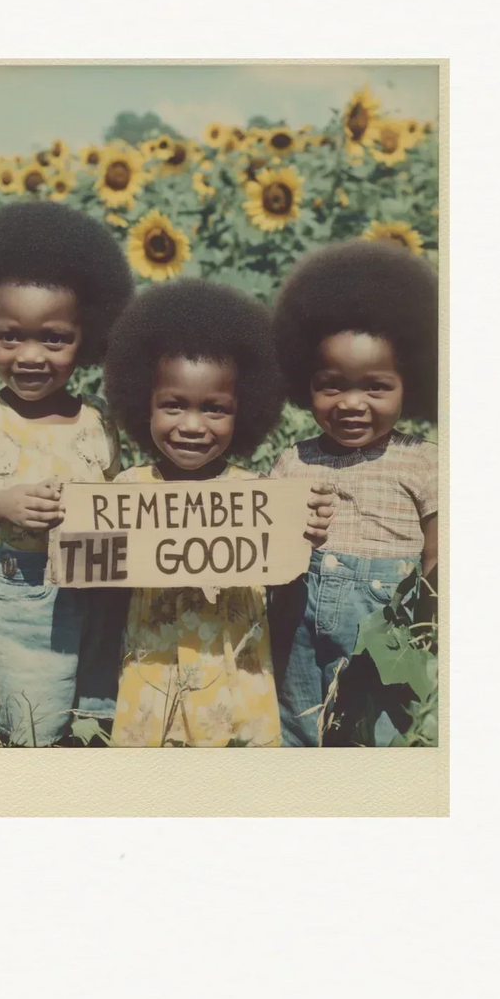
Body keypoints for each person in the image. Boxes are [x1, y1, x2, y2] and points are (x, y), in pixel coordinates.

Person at [100, 279, 333, 747]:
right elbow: (97, 572)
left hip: (235, 679)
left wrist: (305, 526)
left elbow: (283, 570)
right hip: (153, 677)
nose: (191, 426)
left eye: (214, 410)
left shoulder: (259, 493)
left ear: (243, 411)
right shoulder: (128, 490)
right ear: (143, 402)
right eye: (173, 406)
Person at [0, 202, 133, 746]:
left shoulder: (98, 417)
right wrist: (3, 504)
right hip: (24, 598)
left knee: (97, 716)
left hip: (101, 587)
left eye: (54, 338)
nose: (29, 356)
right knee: (29, 723)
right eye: (9, 337)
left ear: (86, 337)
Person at [269, 241, 438, 747]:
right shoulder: (292, 462)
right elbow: (262, 544)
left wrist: (430, 622)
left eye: (375, 387)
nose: (351, 403)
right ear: (305, 383)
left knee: (378, 736)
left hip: (387, 633)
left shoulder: (424, 460)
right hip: (296, 630)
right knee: (296, 725)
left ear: (412, 385)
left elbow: (438, 548)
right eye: (332, 385)